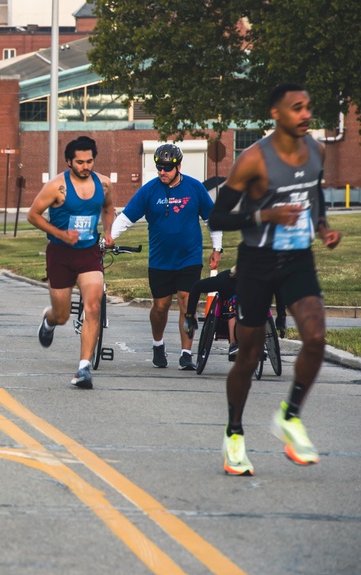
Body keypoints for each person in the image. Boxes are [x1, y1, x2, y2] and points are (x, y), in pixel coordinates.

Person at [208, 83, 341, 476]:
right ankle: (234, 434)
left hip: (298, 259)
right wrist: (263, 216)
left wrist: (323, 227)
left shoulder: (316, 150)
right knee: (248, 357)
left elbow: (313, 194)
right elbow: (217, 218)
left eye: (309, 108)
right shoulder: (253, 160)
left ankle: (290, 415)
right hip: (257, 263)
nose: (305, 114)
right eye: (297, 108)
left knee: (315, 337)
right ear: (276, 114)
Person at [111, 143, 222, 370]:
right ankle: (158, 344)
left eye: (167, 168)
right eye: (159, 167)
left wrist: (217, 248)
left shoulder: (194, 188)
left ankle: (186, 353)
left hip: (189, 258)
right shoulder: (149, 190)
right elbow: (126, 218)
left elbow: (213, 220)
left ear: (178, 166)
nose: (162, 172)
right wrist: (109, 238)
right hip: (160, 260)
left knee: (185, 302)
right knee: (160, 307)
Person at [27, 136, 116, 389]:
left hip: (88, 253)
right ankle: (49, 319)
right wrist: (61, 234)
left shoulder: (104, 184)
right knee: (63, 315)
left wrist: (108, 231)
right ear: (69, 162)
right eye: (79, 162)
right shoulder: (56, 186)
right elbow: (32, 215)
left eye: (89, 161)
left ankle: (84, 367)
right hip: (60, 254)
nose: (85, 166)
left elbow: (109, 208)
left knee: (93, 306)